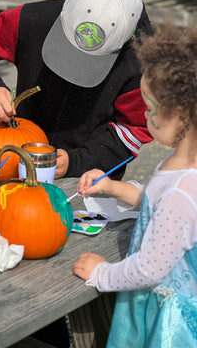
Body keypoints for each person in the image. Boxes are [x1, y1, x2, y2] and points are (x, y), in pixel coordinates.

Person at [0, 0, 153, 179]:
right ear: (66, 8)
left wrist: (77, 161)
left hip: (89, 180)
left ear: (125, 40)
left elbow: (134, 131)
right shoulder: (34, 19)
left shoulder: (144, 62)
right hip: (21, 161)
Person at [73, 23, 197, 347]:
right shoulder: (181, 168)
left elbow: (150, 269)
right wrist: (112, 188)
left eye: (151, 108)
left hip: (162, 319)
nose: (144, 113)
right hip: (151, 303)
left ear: (181, 116)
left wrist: (102, 274)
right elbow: (153, 199)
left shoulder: (182, 193)